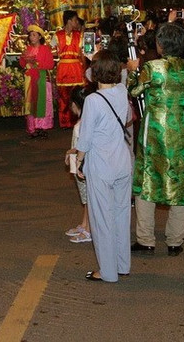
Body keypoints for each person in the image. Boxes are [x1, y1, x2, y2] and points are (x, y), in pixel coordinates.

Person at [127, 23, 184, 257]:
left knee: (147, 180)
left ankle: (145, 239)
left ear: (160, 44)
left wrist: (133, 70)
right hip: (183, 133)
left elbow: (134, 91)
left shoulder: (153, 67)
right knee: (178, 181)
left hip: (154, 131)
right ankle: (175, 240)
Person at [77, 50, 133, 282]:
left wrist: (79, 161)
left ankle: (108, 272)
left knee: (102, 219)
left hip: (101, 165)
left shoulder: (92, 101)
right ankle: (122, 264)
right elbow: (123, 74)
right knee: (121, 215)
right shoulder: (122, 91)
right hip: (122, 162)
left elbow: (86, 137)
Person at [64, 87, 91, 244]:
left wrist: (73, 152)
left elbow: (84, 145)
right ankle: (84, 223)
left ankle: (89, 229)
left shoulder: (83, 123)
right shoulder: (84, 121)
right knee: (85, 197)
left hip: (82, 165)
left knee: (88, 197)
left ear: (75, 104)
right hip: (78, 163)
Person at [20, 25, 55, 139]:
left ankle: (43, 127)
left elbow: (50, 64)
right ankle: (33, 127)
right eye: (30, 35)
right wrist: (23, 58)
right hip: (30, 79)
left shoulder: (45, 49)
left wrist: (37, 65)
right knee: (31, 101)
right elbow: (22, 64)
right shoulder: (27, 49)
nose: (31, 37)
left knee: (43, 102)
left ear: (40, 37)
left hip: (42, 78)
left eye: (34, 35)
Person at [52, 11, 86, 130]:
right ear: (69, 21)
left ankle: (76, 120)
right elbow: (52, 51)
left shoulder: (79, 35)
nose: (77, 22)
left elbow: (81, 53)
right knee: (63, 97)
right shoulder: (57, 35)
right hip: (63, 69)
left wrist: (84, 69)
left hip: (76, 68)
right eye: (75, 20)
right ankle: (65, 122)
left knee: (76, 96)